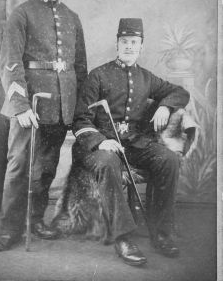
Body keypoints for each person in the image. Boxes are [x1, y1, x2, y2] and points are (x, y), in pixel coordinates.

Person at [0, 0, 87, 251]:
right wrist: (19, 105)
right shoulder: (22, 14)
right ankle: (10, 229)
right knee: (19, 166)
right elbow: (9, 62)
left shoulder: (72, 18)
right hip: (29, 107)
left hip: (60, 107)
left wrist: (76, 107)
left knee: (46, 167)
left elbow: (80, 67)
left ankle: (36, 220)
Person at [72, 18, 189, 266]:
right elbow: (80, 119)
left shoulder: (146, 78)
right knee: (108, 163)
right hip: (98, 147)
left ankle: (161, 233)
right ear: (117, 44)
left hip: (133, 144)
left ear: (141, 46)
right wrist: (101, 141)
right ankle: (123, 236)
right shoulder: (98, 76)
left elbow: (180, 92)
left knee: (167, 159)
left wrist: (165, 107)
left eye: (134, 42)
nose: (129, 46)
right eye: (124, 41)